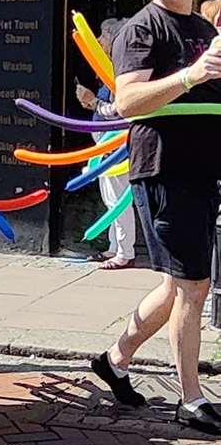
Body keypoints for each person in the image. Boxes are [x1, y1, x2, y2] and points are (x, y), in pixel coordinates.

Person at [90, 0, 221, 435]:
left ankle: (115, 360)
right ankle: (190, 399)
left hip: (201, 169)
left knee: (175, 284)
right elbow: (127, 103)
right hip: (165, 169)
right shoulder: (142, 30)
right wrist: (189, 77)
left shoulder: (199, 28)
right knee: (194, 285)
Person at [73, 17, 136, 270]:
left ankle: (124, 250)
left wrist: (92, 102)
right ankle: (115, 247)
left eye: (103, 35)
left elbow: (122, 109)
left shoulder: (121, 72)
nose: (98, 41)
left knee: (118, 198)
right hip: (106, 147)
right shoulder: (110, 70)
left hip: (115, 147)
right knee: (111, 198)